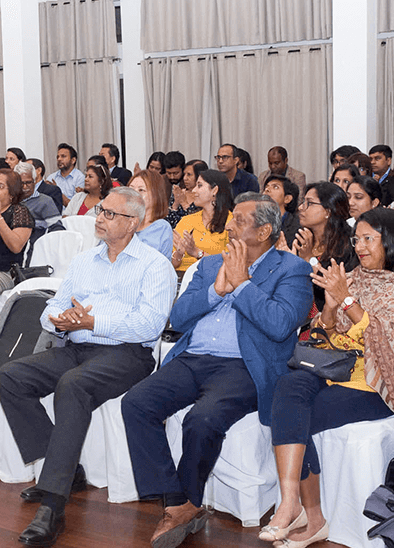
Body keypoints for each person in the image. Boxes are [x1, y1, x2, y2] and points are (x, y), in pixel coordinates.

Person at [123, 193, 313, 548]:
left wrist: (241, 285)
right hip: (192, 359)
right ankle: (178, 502)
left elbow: (281, 324)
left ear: (265, 231)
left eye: (239, 220)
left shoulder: (293, 270)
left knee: (203, 418)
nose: (228, 225)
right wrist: (215, 290)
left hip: (243, 366)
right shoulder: (211, 265)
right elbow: (177, 318)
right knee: (136, 402)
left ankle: (185, 504)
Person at [0, 187, 176, 548]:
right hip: (75, 345)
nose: (100, 218)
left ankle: (53, 505)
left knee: (73, 385)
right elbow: (50, 309)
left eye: (109, 214)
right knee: (10, 377)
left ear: (133, 224)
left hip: (127, 355)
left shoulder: (155, 266)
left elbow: (149, 327)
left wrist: (92, 322)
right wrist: (61, 320)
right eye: (101, 211)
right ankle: (65, 471)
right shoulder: (84, 261)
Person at [262, 207, 394, 547]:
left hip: (380, 384)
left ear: (390, 241)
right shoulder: (354, 278)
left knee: (298, 418)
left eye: (368, 239)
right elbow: (326, 336)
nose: (359, 246)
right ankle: (293, 504)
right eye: (356, 239)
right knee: (286, 387)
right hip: (335, 368)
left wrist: (345, 298)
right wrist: (330, 309)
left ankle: (312, 515)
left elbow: (388, 342)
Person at [283, 182, 358, 312]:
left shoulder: (348, 246)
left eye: (309, 203)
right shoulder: (301, 238)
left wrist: (308, 260)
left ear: (328, 211)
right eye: (303, 202)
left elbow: (333, 293)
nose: (301, 207)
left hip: (329, 319)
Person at [171, 170, 233, 272]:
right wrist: (179, 253)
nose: (194, 190)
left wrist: (197, 252)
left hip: (213, 280)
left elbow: (230, 263)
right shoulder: (187, 221)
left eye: (199, 186)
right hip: (182, 278)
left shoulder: (231, 223)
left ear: (214, 190)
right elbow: (173, 264)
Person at [128, 170, 172, 260]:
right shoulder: (120, 221)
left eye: (141, 190)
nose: (134, 194)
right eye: (131, 189)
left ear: (156, 195)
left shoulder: (161, 227)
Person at [15, 162, 61, 231]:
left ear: (34, 181)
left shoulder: (45, 201)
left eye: (28, 183)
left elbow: (57, 229)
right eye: (21, 183)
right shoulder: (11, 201)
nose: (25, 187)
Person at [262, 173, 302, 246]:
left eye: (275, 187)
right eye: (266, 187)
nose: (267, 190)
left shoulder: (297, 227)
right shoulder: (255, 221)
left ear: (287, 199)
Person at [168, 160, 208, 229]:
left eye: (189, 175)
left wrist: (184, 203)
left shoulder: (205, 197)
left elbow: (197, 223)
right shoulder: (180, 193)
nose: (185, 178)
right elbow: (168, 222)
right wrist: (176, 203)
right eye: (184, 174)